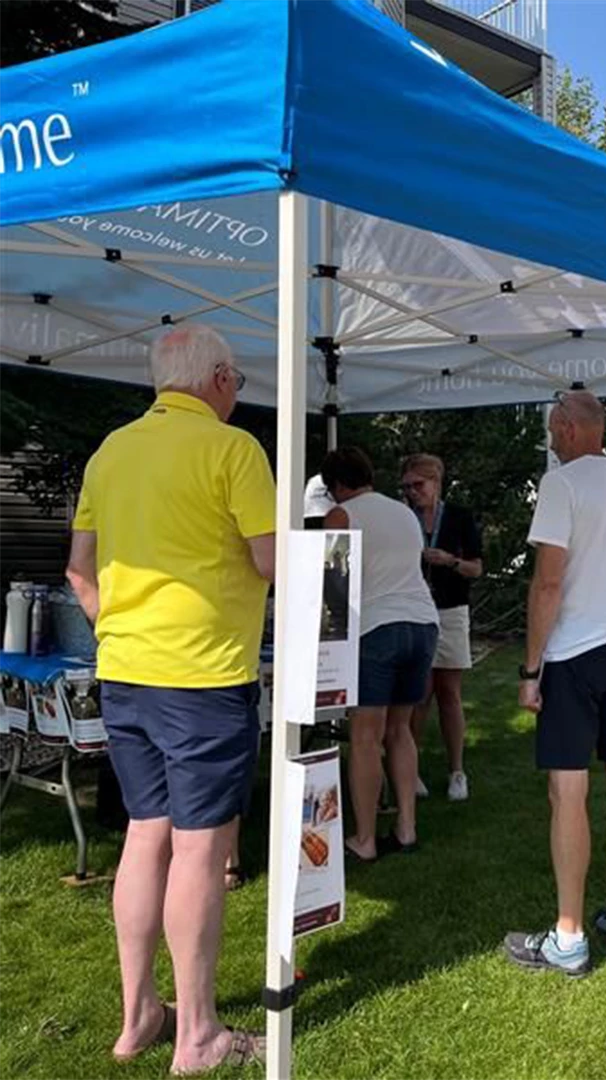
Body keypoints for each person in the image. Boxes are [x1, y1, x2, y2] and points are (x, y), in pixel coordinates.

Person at [65, 323, 273, 1072]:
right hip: (205, 678)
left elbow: (79, 572)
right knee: (199, 849)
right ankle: (198, 1035)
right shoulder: (234, 450)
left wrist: (123, 628)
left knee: (144, 837)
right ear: (217, 378)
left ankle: (140, 1016)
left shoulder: (110, 452)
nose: (236, 393)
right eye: (238, 381)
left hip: (125, 672)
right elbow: (269, 559)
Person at [504, 391, 606, 978]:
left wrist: (530, 670)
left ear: (572, 428)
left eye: (553, 428)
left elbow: (547, 585)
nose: (550, 437)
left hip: (573, 655)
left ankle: (568, 938)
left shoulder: (563, 485)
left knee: (567, 792)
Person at [322, 447, 439, 861]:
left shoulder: (342, 516)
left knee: (366, 736)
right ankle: (406, 827)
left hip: (377, 629)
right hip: (423, 625)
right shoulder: (404, 512)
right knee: (401, 730)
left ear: (336, 486)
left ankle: (365, 839)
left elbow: (331, 589)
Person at [400, 453, 483, 802]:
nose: (412, 493)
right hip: (414, 611)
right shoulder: (402, 518)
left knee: (449, 692)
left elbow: (477, 569)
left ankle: (457, 771)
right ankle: (411, 768)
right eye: (406, 487)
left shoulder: (461, 517)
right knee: (418, 693)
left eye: (418, 485)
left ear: (436, 482)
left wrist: (450, 560)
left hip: (451, 609)